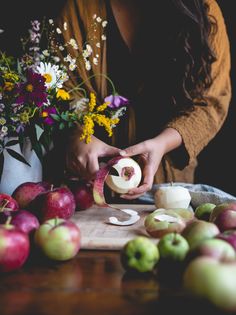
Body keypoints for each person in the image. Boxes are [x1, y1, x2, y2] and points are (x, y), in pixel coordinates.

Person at [56, 0, 231, 200]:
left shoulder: (204, 10)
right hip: (85, 190)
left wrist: (163, 143)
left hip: (167, 191)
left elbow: (211, 101)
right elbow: (62, 88)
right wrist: (78, 135)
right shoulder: (80, 8)